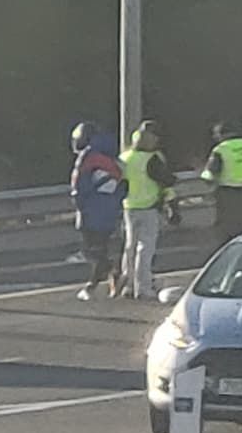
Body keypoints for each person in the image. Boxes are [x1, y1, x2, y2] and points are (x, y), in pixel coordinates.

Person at [119, 120, 181, 300]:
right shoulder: (151, 159)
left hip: (128, 207)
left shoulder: (125, 157)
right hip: (148, 208)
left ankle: (128, 285)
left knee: (129, 248)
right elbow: (166, 181)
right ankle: (143, 287)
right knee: (145, 250)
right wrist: (172, 205)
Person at [70, 122, 126, 300]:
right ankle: (107, 278)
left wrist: (79, 204)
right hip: (109, 208)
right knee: (100, 247)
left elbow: (80, 184)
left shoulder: (88, 157)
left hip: (92, 209)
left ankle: (102, 279)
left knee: (92, 250)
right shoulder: (111, 157)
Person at [201, 119, 242, 248]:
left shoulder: (221, 149)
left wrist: (206, 179)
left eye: (215, 134)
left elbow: (210, 174)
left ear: (221, 134)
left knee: (227, 230)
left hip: (228, 195)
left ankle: (229, 254)